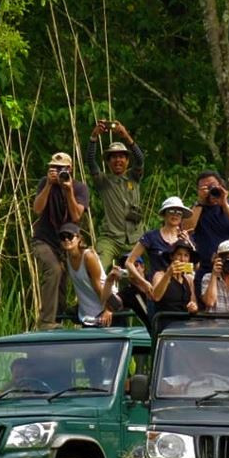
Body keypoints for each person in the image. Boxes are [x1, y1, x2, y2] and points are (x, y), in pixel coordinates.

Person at [32, 151, 89, 329]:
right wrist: (49, 185)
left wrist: (68, 190)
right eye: (53, 168)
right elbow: (37, 210)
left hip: (66, 241)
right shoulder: (45, 182)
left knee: (71, 275)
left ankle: (60, 317)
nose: (57, 172)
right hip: (43, 239)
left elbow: (76, 216)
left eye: (60, 168)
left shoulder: (79, 188)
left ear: (70, 169)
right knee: (54, 270)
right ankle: (46, 321)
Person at [86, 120, 145, 269]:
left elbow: (140, 159)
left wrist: (126, 136)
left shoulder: (134, 177)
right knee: (97, 268)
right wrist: (93, 137)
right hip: (111, 238)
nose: (118, 160)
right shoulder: (103, 181)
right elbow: (91, 162)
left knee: (139, 275)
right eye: (113, 157)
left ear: (127, 160)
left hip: (135, 240)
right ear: (108, 161)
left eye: (122, 157)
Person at [181, 171, 229, 290]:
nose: (210, 190)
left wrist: (224, 204)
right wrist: (200, 202)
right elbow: (186, 228)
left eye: (212, 186)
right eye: (205, 187)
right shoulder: (197, 208)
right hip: (206, 268)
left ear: (221, 185)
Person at [126, 196, 192, 296]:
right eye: (171, 211)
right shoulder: (151, 236)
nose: (175, 215)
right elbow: (129, 262)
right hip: (157, 289)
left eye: (179, 212)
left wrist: (189, 244)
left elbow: (193, 267)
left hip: (179, 291)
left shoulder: (184, 238)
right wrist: (143, 282)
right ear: (164, 214)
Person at [59, 223, 112, 327]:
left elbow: (98, 287)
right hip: (88, 313)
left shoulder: (88, 257)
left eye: (69, 236)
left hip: (106, 304)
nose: (66, 239)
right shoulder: (67, 257)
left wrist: (108, 309)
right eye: (62, 237)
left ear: (78, 238)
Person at [101, 254, 152, 327]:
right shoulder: (128, 292)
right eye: (127, 267)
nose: (132, 269)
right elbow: (112, 305)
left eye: (135, 265)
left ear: (143, 267)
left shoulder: (154, 278)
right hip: (155, 332)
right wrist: (109, 281)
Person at [152, 239, 199, 314]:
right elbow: (156, 297)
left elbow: (193, 302)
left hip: (184, 321)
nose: (182, 259)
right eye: (179, 254)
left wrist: (193, 307)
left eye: (186, 255)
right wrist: (168, 274)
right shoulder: (160, 275)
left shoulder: (189, 278)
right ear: (171, 256)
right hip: (166, 320)